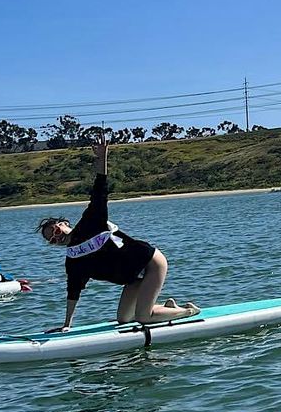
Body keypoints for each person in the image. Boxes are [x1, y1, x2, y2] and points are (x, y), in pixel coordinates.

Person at [38, 130, 199, 331]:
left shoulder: (90, 222)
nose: (56, 237)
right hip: (133, 279)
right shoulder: (73, 262)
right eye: (51, 239)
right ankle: (166, 308)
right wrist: (66, 325)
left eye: (55, 230)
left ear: (63, 223)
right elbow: (73, 292)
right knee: (124, 320)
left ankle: (188, 311)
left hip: (150, 262)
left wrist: (102, 158)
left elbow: (99, 191)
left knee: (142, 317)